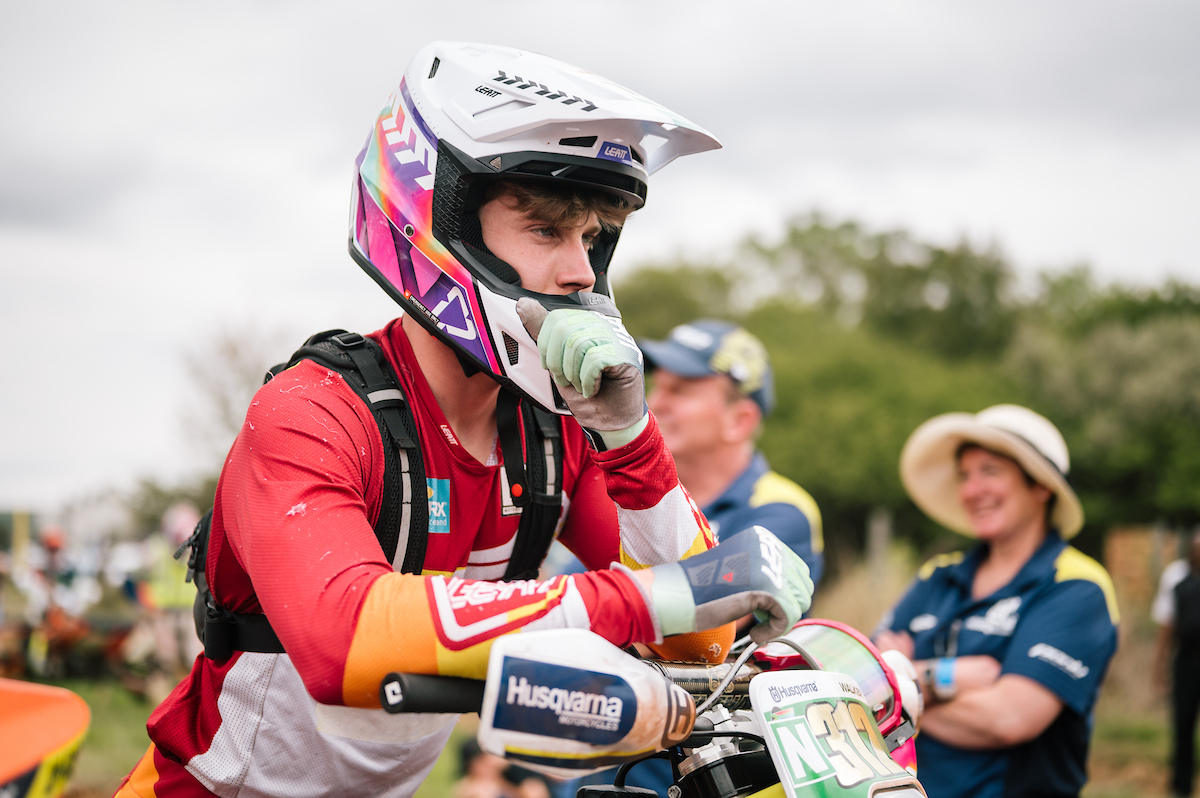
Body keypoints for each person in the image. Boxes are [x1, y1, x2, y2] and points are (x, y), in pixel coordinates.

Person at [114, 41, 814, 798]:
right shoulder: (312, 411)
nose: (581, 271)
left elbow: (701, 637)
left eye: (592, 239)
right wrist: (646, 598)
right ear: (440, 223)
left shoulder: (556, 431)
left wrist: (629, 434)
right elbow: (341, 640)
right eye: (547, 231)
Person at [874, 404, 1118, 798]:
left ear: (1041, 486)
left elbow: (1008, 718)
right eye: (964, 476)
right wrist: (952, 676)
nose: (971, 491)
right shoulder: (936, 574)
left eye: (990, 472)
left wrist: (900, 686)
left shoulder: (1078, 584)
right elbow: (860, 681)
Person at [1153, 529, 1200, 797]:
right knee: (1183, 725)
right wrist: (1158, 667)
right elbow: (1166, 625)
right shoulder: (1176, 577)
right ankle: (1181, 786)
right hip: (1186, 661)